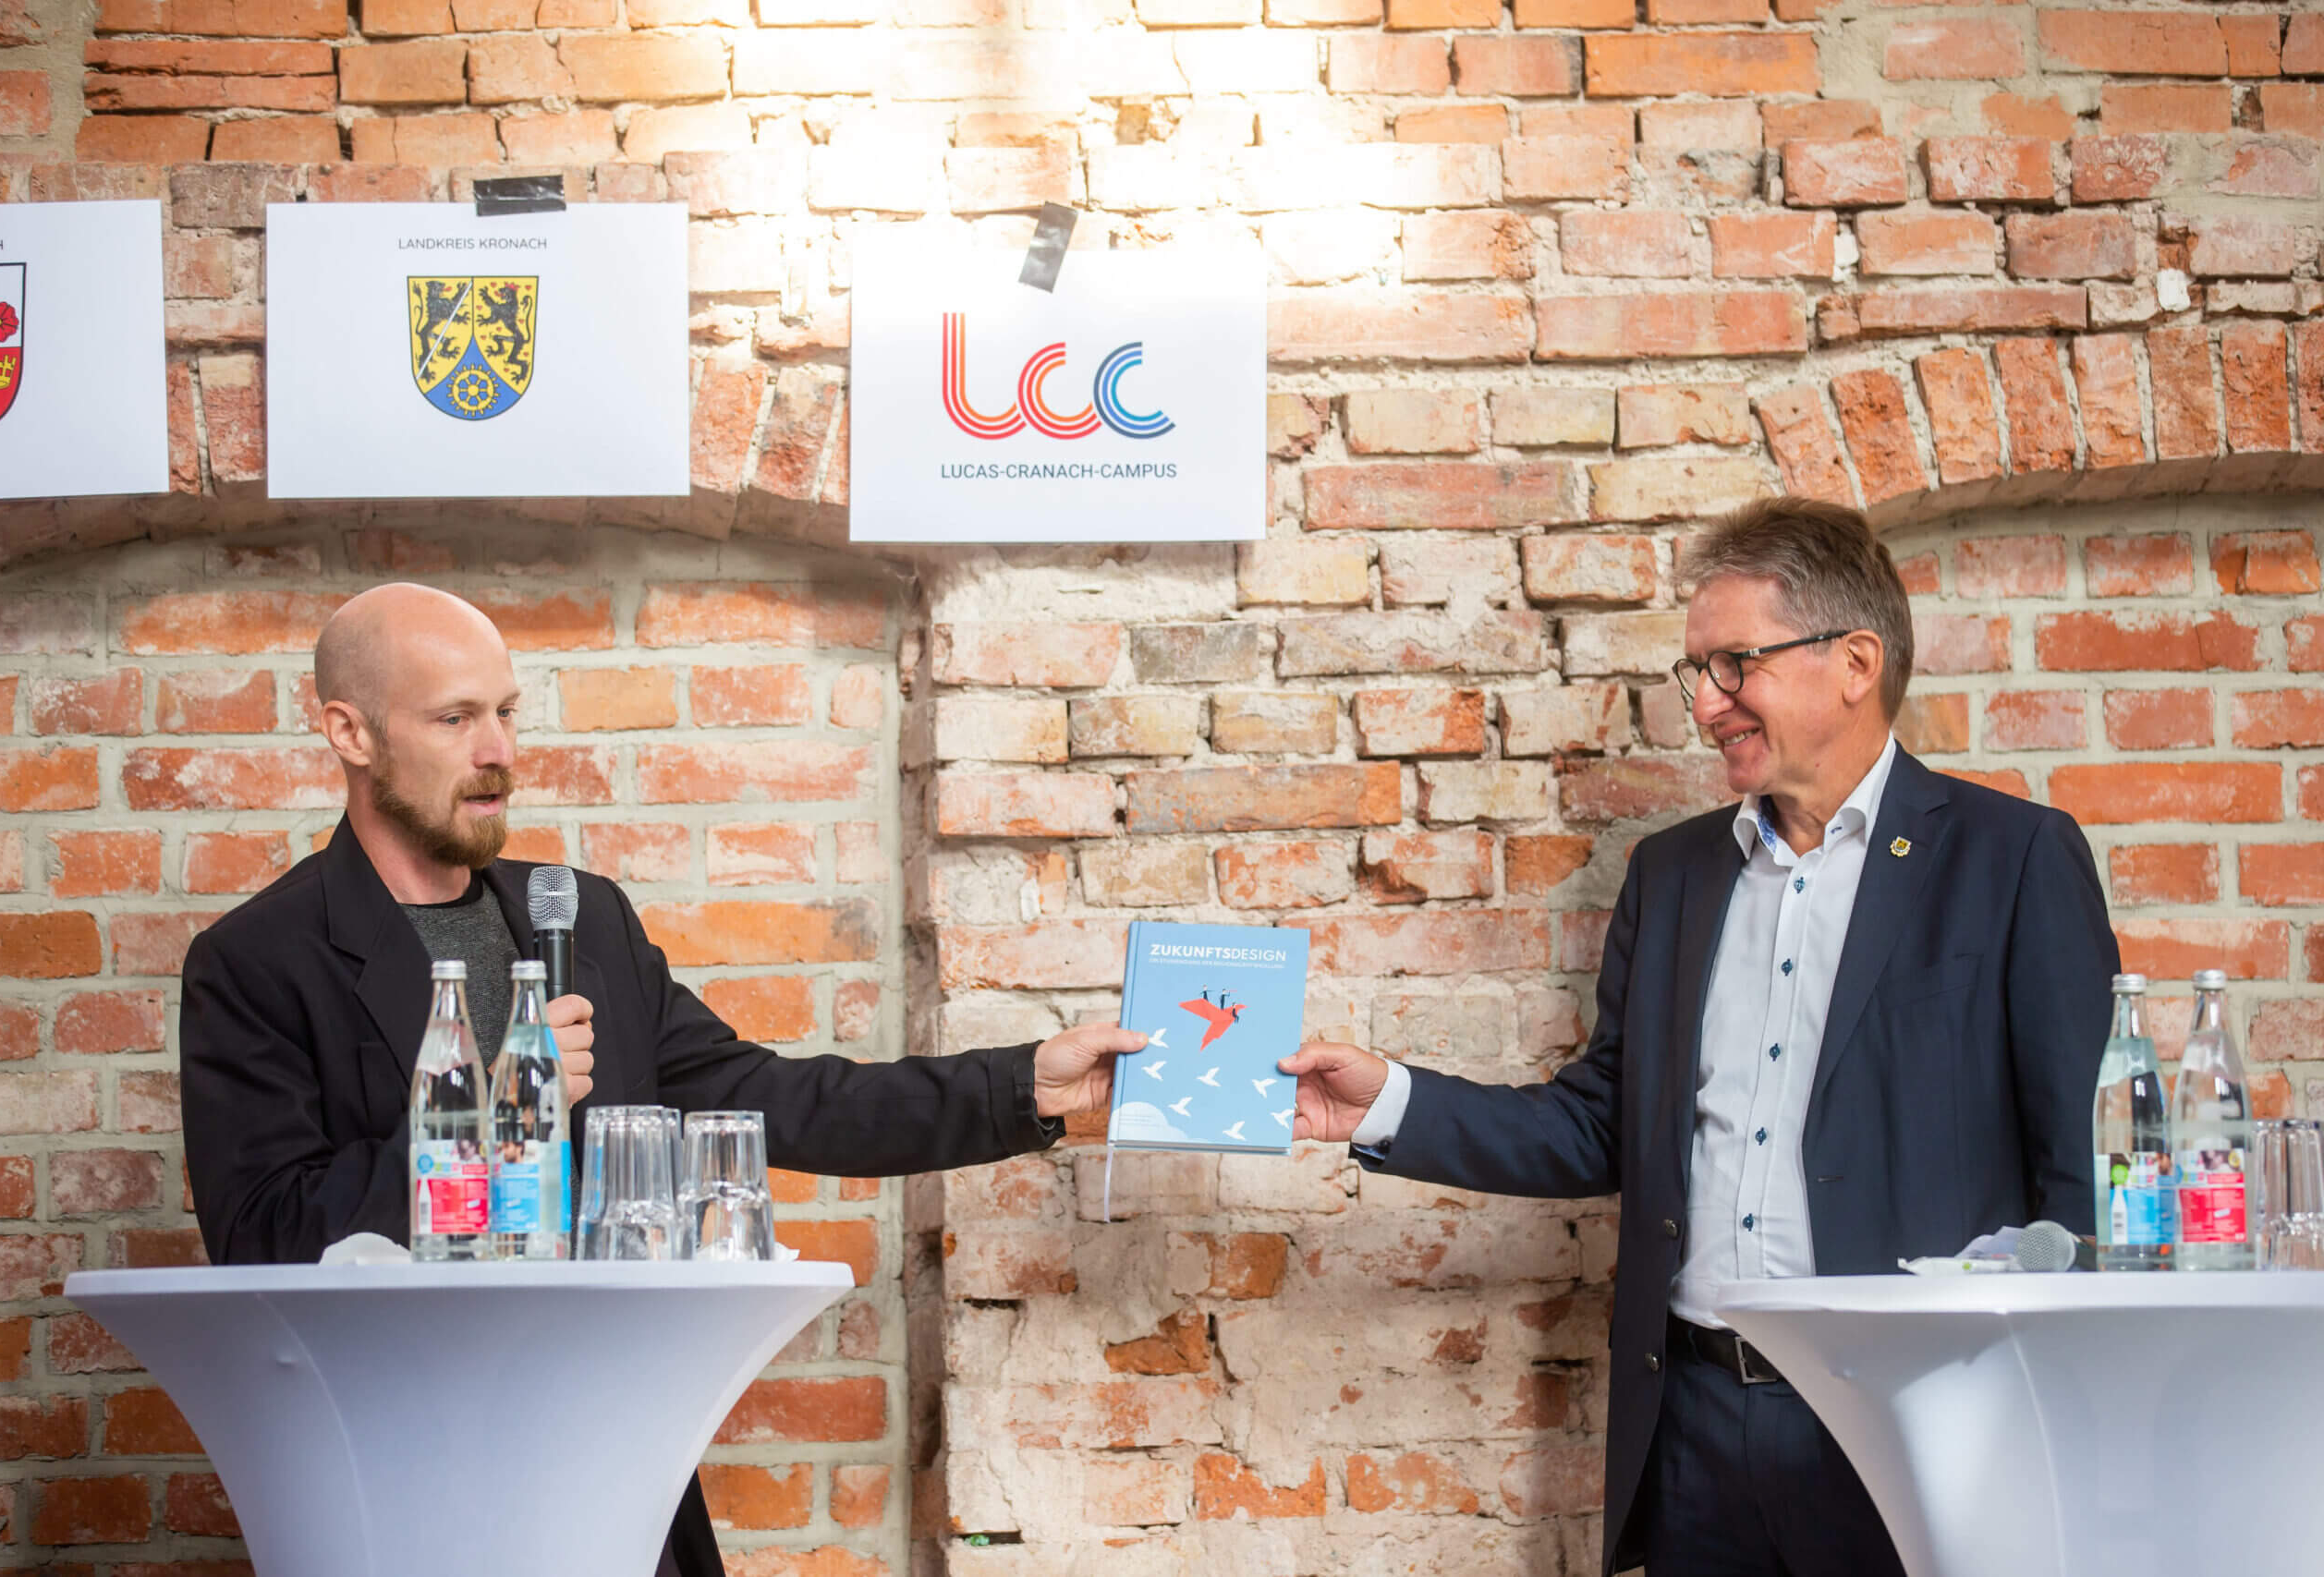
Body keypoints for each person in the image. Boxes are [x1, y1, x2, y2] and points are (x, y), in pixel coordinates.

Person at [178, 583, 1142, 1577]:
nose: (498, 749)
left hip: (620, 1483)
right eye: (455, 717)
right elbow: (267, 1232)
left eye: (506, 711)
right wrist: (507, 1115)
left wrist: (1027, 1088)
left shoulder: (586, 924)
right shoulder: (258, 960)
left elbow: (774, 1099)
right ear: (351, 732)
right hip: (407, 1490)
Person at [1280, 498, 2117, 1577]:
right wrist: (1388, 1101)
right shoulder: (1671, 877)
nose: (1707, 704)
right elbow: (1600, 1126)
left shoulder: (2011, 861)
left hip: (1914, 1427)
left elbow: (2083, 1176)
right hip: (1694, 1433)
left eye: (1734, 665)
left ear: (1854, 660)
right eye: (1698, 673)